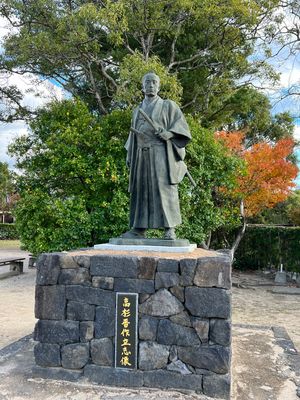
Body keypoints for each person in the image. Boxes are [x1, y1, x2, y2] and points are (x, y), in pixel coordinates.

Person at [122, 72, 191, 240]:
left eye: (154, 82)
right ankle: (139, 228)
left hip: (160, 152)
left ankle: (169, 228)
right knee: (141, 190)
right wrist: (130, 155)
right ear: (142, 86)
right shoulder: (137, 110)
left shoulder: (168, 106)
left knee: (164, 189)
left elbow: (181, 128)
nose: (151, 85)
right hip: (141, 153)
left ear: (159, 86)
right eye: (147, 82)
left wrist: (169, 134)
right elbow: (133, 136)